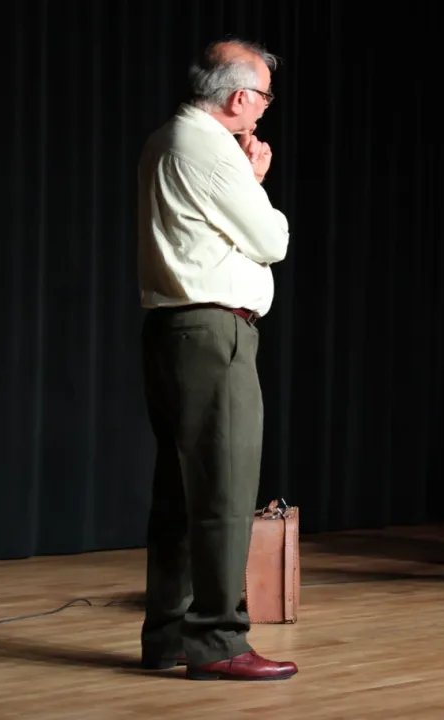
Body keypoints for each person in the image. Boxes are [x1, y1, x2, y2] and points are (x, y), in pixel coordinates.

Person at [135, 38, 296, 680]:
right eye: (265, 97)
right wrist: (253, 181)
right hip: (212, 332)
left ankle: (168, 636)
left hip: (175, 330)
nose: (265, 108)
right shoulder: (209, 146)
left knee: (181, 492)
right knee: (225, 490)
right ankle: (220, 641)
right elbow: (272, 240)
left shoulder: (166, 137)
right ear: (240, 98)